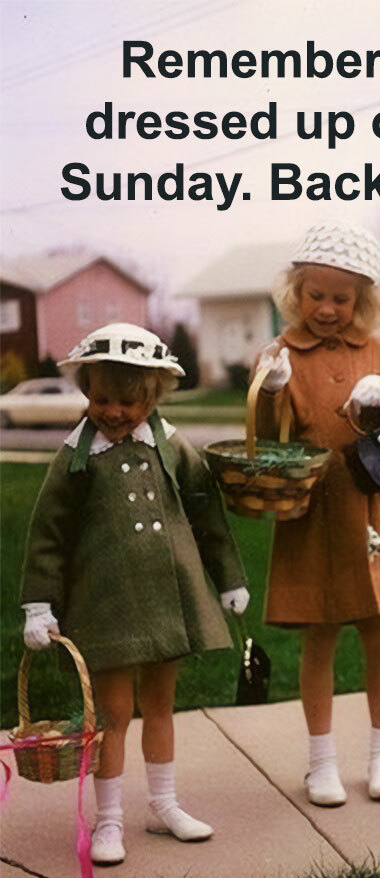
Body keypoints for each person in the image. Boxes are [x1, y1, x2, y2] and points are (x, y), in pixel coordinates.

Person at [20, 323, 249, 866]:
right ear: (86, 393)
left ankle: (164, 804)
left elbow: (205, 512)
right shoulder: (76, 456)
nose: (114, 411)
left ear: (154, 395)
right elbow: (47, 533)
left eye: (129, 400)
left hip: (171, 600)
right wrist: (39, 603)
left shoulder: (171, 446)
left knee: (162, 705)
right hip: (106, 608)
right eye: (102, 398)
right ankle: (111, 819)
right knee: (113, 714)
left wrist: (229, 577)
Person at [253, 220, 380, 806]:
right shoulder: (281, 352)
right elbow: (265, 438)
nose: (328, 309)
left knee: (378, 629)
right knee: (320, 634)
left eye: (342, 298)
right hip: (314, 511)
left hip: (376, 510)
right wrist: (270, 389)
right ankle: (321, 763)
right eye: (316, 296)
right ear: (295, 293)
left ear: (363, 300)